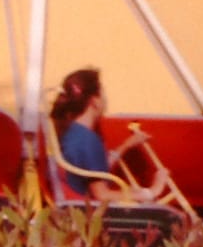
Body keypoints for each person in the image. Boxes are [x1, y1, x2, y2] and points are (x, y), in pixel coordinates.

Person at [49, 68, 168, 202]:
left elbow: (92, 170)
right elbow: (102, 195)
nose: (106, 100)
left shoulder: (72, 131)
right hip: (88, 209)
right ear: (94, 101)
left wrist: (125, 146)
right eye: (103, 94)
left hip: (74, 197)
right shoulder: (89, 141)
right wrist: (152, 191)